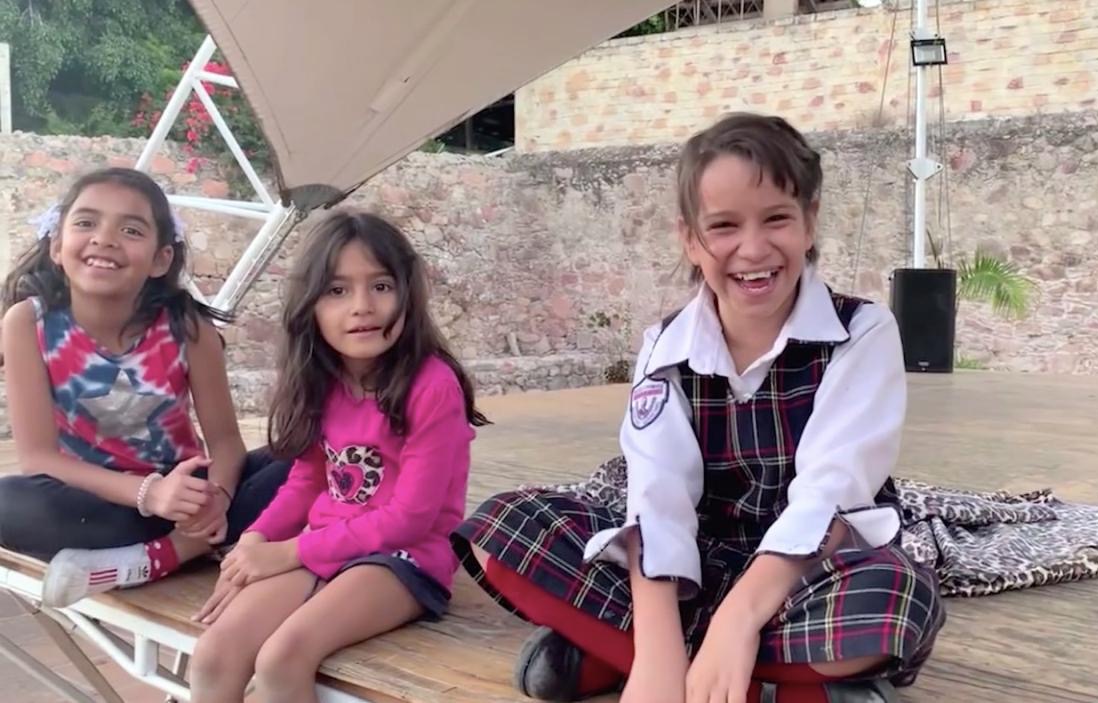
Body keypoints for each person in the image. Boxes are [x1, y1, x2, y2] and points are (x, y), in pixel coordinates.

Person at [453, 113, 945, 703]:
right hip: (692, 566)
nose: (753, 248)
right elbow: (657, 498)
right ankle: (756, 678)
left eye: (777, 219)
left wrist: (738, 621)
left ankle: (613, 650)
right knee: (502, 527)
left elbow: (832, 495)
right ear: (690, 238)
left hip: (806, 572)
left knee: (896, 597)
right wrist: (657, 654)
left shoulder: (860, 331)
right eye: (724, 225)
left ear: (809, 221)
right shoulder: (665, 346)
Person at [188, 210, 487, 703]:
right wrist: (255, 541)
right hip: (325, 547)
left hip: (406, 559)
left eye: (381, 286)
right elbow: (306, 480)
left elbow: (410, 518)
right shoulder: (321, 381)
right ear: (310, 305)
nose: (362, 306)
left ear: (408, 294)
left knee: (282, 658)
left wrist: (288, 553)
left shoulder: (432, 386)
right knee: (214, 654)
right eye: (337, 290)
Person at [0, 167, 290, 607]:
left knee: (309, 454)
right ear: (57, 245)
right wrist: (149, 494)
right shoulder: (28, 323)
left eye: (131, 230)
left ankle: (163, 554)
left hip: (188, 495)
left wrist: (216, 496)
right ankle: (191, 546)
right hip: (96, 502)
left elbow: (226, 443)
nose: (105, 239)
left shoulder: (187, 327)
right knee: (9, 502)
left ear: (161, 259)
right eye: (86, 222)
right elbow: (39, 457)